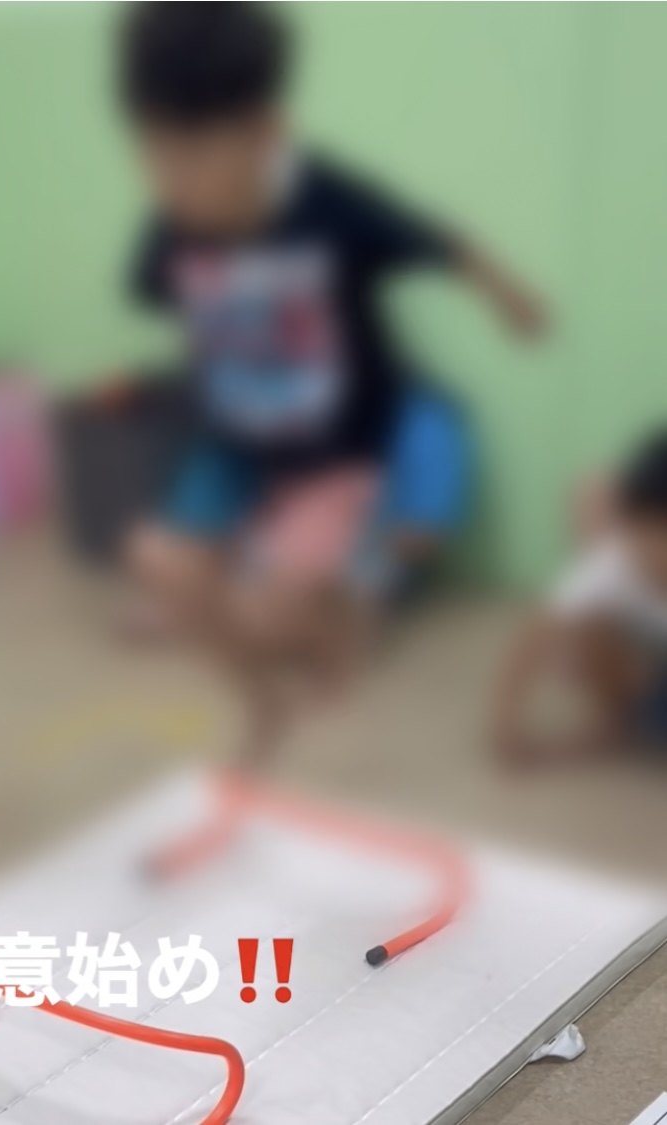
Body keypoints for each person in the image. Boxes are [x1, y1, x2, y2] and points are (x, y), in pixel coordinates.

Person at [118, 3, 545, 767]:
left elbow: (435, 239)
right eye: (150, 154)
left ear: (264, 133)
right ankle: (263, 700)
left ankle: (341, 616)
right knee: (159, 562)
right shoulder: (170, 227)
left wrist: (508, 297)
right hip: (235, 446)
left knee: (274, 609)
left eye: (190, 157)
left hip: (334, 453)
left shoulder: (330, 202)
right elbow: (157, 290)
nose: (167, 184)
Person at [495, 431, 667, 767]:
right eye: (653, 535)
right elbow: (534, 637)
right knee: (588, 625)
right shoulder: (613, 562)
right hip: (649, 670)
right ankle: (617, 719)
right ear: (629, 525)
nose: (658, 552)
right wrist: (506, 725)